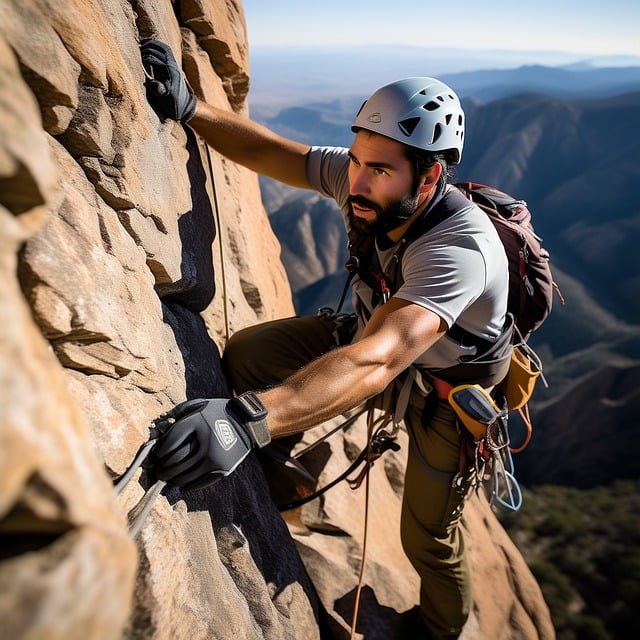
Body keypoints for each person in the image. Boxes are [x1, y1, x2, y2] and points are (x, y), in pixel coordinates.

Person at [140, 40, 512, 639]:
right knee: (247, 355)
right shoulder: (368, 176)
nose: (356, 180)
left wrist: (248, 420)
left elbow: (381, 358)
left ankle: (439, 630)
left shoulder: (457, 250)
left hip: (445, 393)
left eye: (379, 169)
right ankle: (283, 471)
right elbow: (278, 153)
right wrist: (192, 110)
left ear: (432, 173)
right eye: (358, 160)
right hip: (372, 335)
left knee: (427, 538)